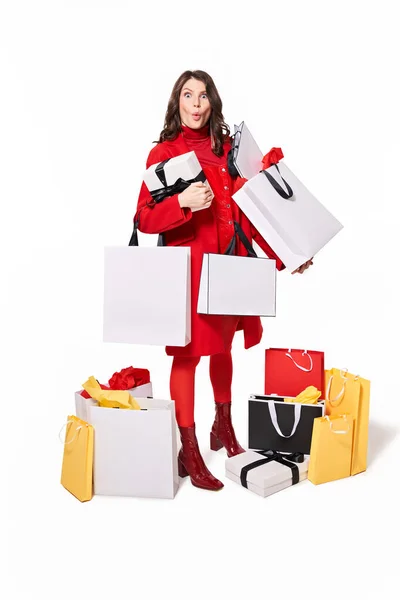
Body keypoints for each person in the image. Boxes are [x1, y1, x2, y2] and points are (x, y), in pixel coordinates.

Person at [134, 70, 313, 492]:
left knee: (224, 349)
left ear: (212, 103)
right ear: (177, 102)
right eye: (187, 95)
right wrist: (180, 201)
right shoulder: (163, 153)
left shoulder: (227, 151)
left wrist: (287, 255)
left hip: (230, 267)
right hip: (190, 272)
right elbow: (143, 218)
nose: (195, 104)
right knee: (188, 354)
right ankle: (189, 448)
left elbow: (249, 215)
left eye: (203, 96)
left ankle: (223, 427)